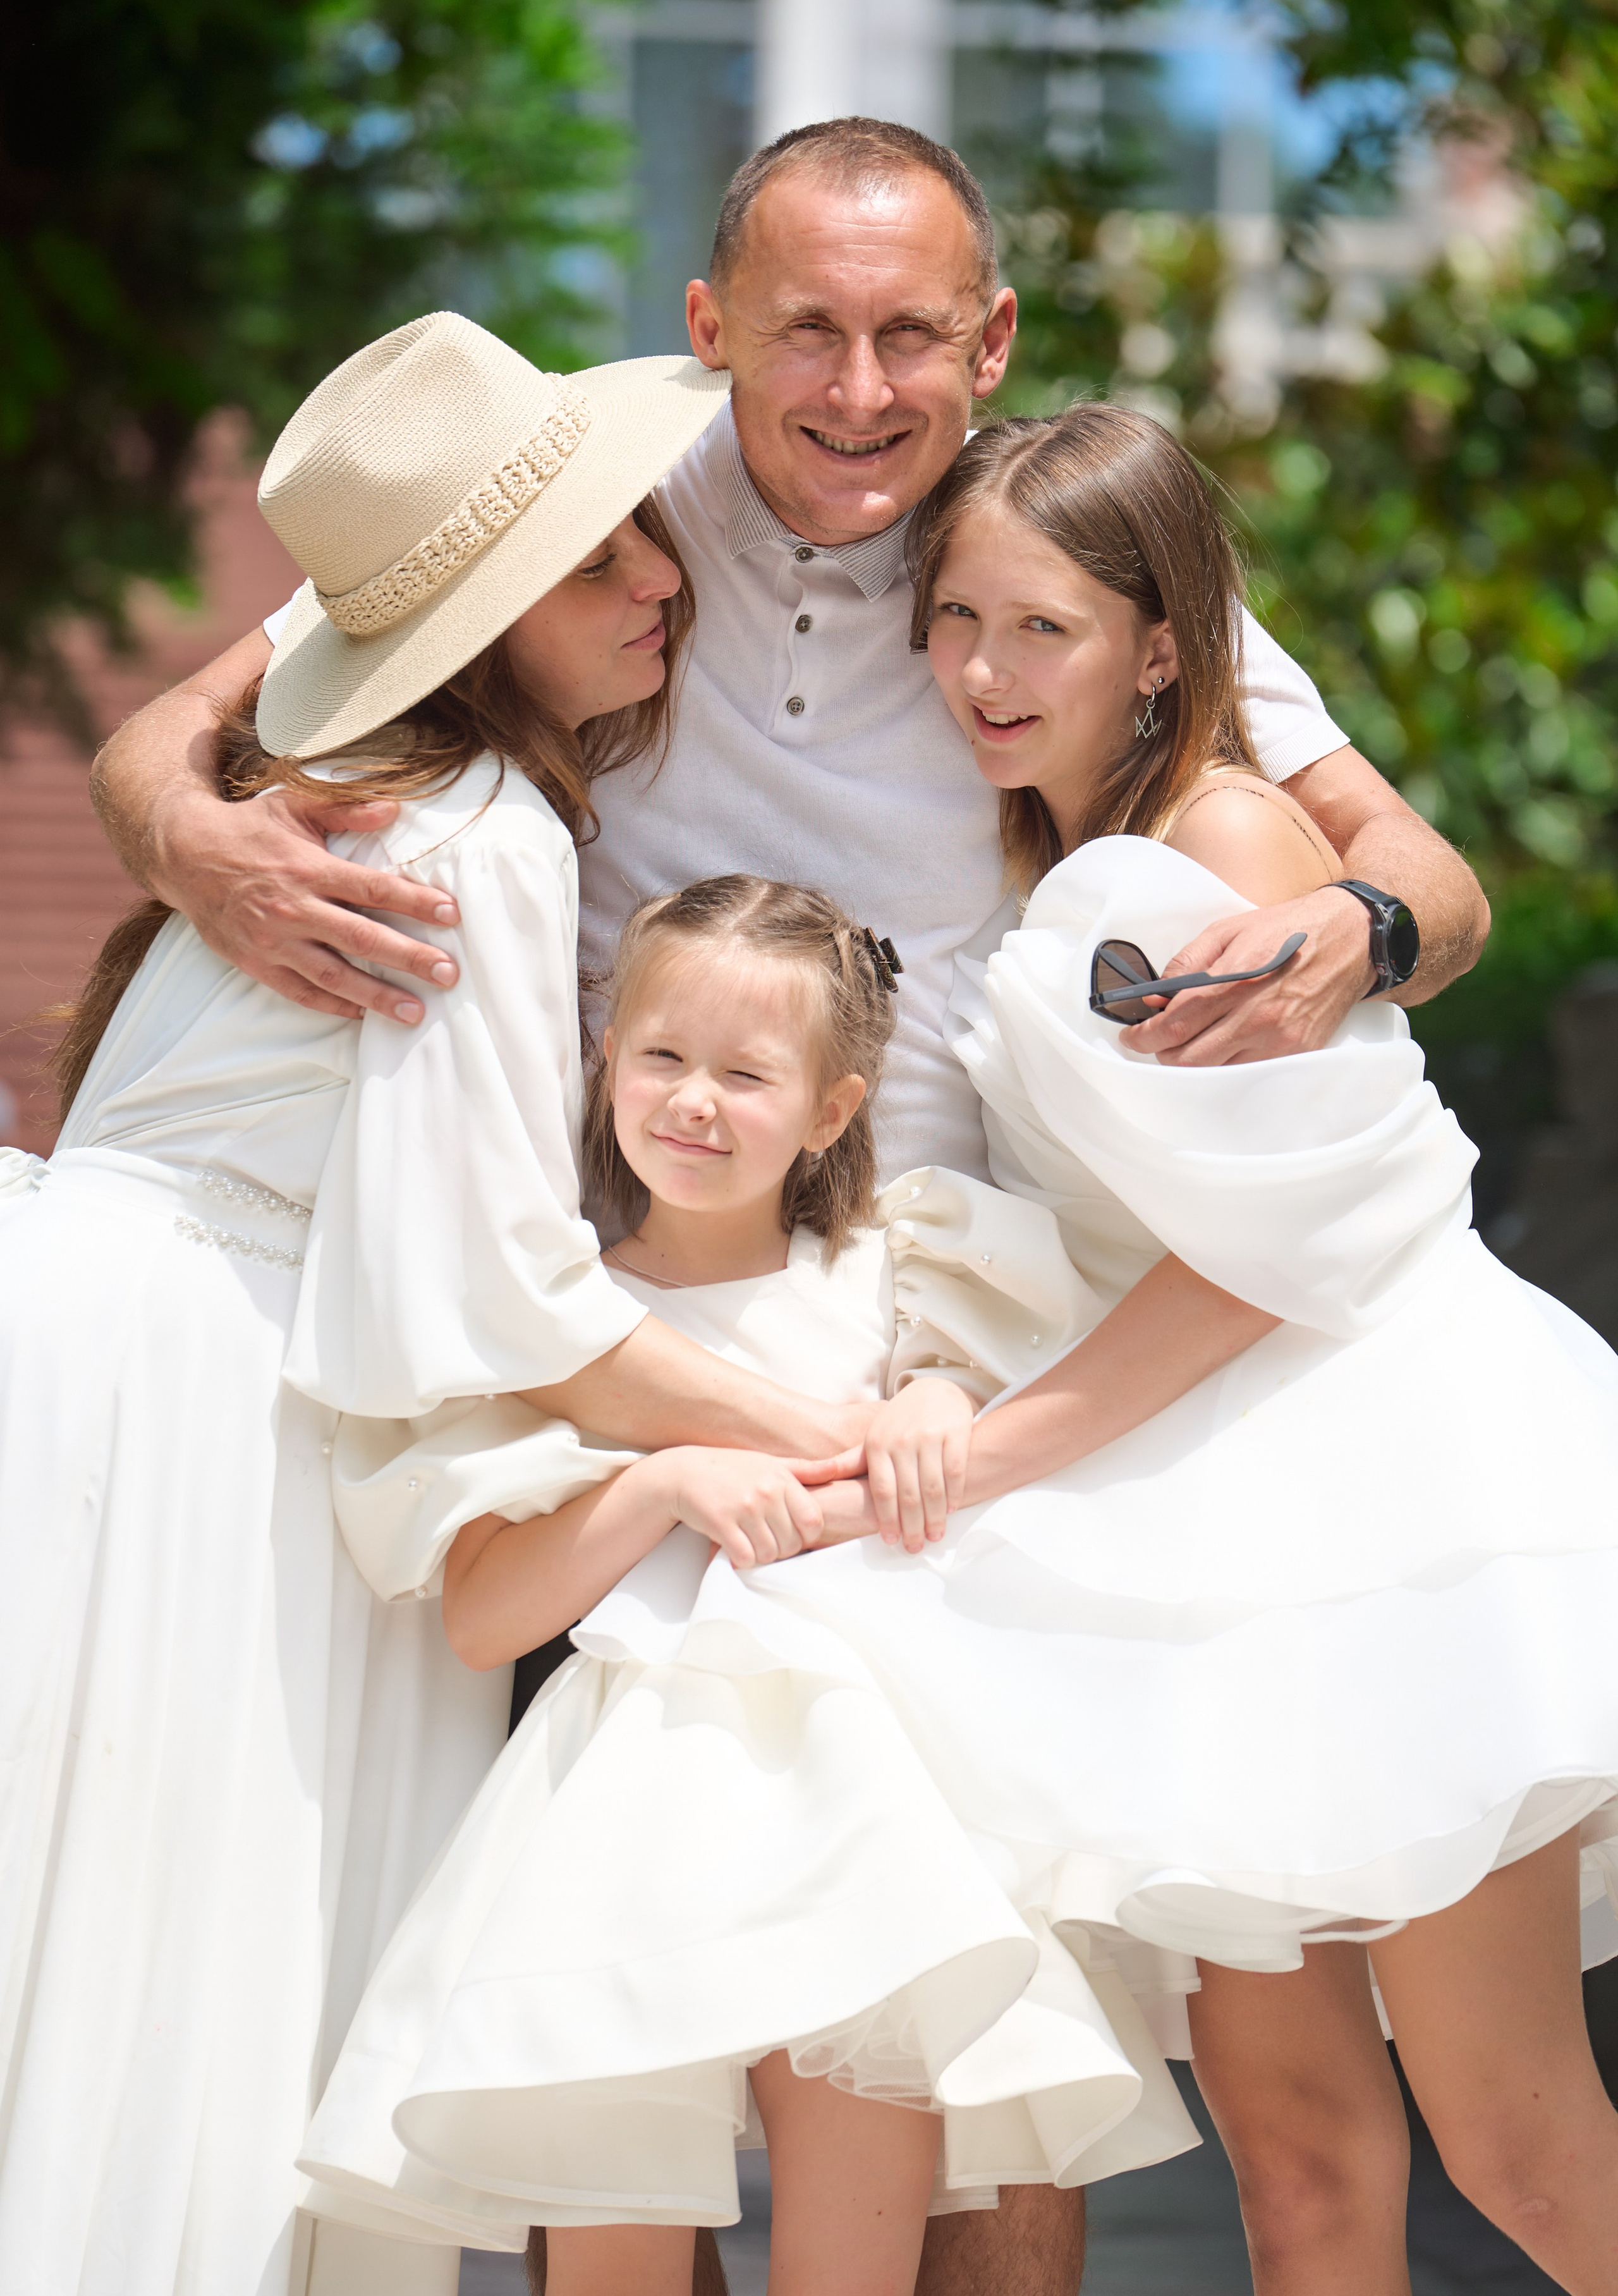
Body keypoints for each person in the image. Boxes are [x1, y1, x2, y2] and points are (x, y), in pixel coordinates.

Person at [88, 116, 1495, 2290]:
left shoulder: (1042, 546)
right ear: (707, 326)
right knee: (620, 1978)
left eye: (914, 337)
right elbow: (185, 730)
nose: (859, 392)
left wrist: (1354, 943)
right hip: (665, 1299)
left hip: (954, 1325)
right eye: (806, 335)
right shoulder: (589, 499)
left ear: (992, 336)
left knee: (972, 2045)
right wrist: (187, 843)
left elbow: (1427, 869)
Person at [318, 400, 1618, 2296]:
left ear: (1167, 646)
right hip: (1217, 1509)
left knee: (1505, 2125)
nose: (986, 675)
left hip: (1389, 1495)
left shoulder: (1223, 832)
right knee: (1304, 2156)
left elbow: (1271, 1259)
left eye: (1047, 628)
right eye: (957, 622)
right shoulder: (1043, 846)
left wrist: (989, 1452)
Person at [0, 314, 877, 2296]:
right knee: (190, 1982)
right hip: (203, 1413)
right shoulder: (477, 837)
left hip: (77, 1348)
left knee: (66, 1960)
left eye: (646, 539)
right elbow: (511, 1300)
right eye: (599, 564)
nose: (663, 579)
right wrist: (874, 1442)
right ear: (480, 627)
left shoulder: (337, 778)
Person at [297, 874, 1202, 2287]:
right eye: (660, 1056)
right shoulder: (566, 1329)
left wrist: (941, 1402)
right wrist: (658, 1483)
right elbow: (482, 1614)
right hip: (620, 1839)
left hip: (867, 1823)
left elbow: (1022, 1457)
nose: (693, 1101)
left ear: (834, 1109)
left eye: (745, 1072)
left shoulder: (902, 1281)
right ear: (601, 1057)